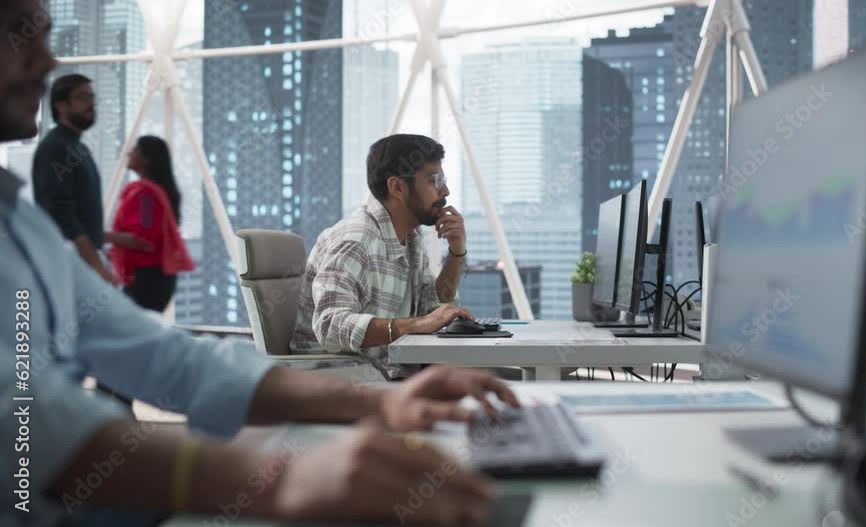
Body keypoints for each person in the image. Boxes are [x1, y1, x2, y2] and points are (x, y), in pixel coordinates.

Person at [1, 2, 514, 525]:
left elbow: (166, 356)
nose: (48, 60)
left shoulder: (24, 228)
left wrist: (379, 406)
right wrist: (282, 477)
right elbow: (28, 429)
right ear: (398, 187)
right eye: (17, 33)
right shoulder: (354, 239)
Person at [291, 134, 472, 378]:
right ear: (397, 187)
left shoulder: (410, 237)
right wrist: (416, 325)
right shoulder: (357, 241)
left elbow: (430, 307)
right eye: (434, 180)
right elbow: (330, 324)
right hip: (340, 378)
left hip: (384, 371)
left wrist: (456, 252)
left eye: (443, 180)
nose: (445, 190)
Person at [32, 73, 150, 285]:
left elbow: (79, 215)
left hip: (77, 262)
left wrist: (112, 239)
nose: (91, 103)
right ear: (60, 105)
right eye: (82, 97)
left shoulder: (76, 147)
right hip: (69, 265)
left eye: (92, 97)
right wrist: (97, 267)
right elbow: (62, 215)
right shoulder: (57, 148)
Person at [109, 135, 194, 311]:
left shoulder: (145, 195)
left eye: (135, 149)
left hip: (147, 280)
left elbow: (144, 239)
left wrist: (100, 236)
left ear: (146, 159)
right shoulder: (150, 191)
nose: (129, 153)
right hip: (149, 278)